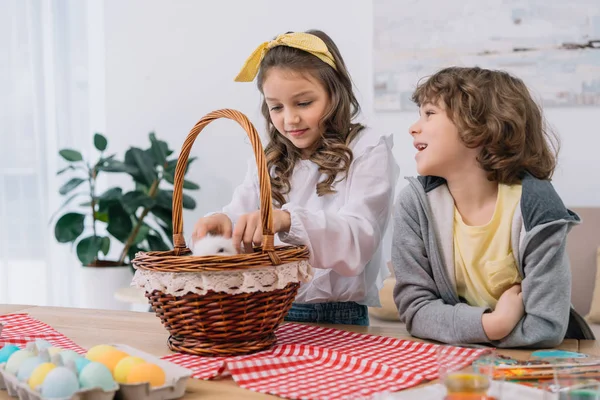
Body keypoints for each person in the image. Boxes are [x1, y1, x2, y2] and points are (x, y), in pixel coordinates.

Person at [192, 30, 399, 326]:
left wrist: (287, 220)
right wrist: (223, 223)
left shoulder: (366, 149)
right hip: (267, 310)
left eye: (303, 103)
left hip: (337, 316)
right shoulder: (270, 159)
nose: (289, 119)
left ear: (335, 93)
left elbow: (360, 238)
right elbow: (243, 213)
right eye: (276, 107)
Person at [392, 66, 595, 347]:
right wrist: (493, 325)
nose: (413, 127)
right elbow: (416, 311)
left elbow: (545, 327)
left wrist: (457, 327)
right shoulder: (415, 204)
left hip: (543, 363)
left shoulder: (537, 207)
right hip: (464, 359)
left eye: (429, 114)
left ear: (478, 129)